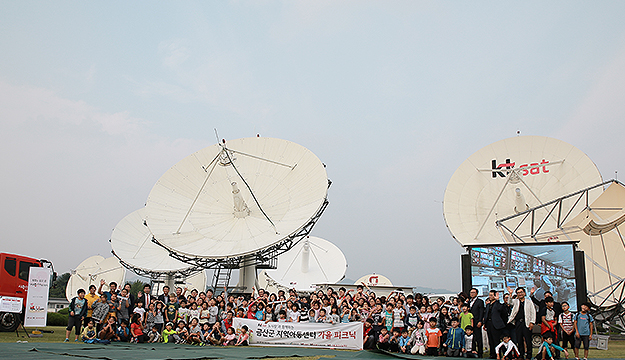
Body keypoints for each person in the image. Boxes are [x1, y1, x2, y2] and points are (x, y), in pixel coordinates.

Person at [506, 287, 536, 360]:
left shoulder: (529, 302)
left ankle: (529, 355)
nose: (520, 294)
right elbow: (509, 302)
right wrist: (510, 294)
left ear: (524, 293)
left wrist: (532, 322)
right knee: (519, 340)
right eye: (518, 293)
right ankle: (521, 355)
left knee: (528, 340)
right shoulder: (515, 301)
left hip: (527, 323)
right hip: (518, 323)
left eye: (521, 292)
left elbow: (533, 312)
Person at [484, 290, 507, 359]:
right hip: (489, 324)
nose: (490, 297)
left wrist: (497, 300)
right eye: (489, 295)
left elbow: (502, 311)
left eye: (491, 295)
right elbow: (486, 314)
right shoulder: (488, 305)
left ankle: (499, 354)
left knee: (496, 340)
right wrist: (485, 324)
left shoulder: (498, 304)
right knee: (490, 340)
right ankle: (492, 354)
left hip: (496, 325)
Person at [469, 287, 485, 358]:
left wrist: (480, 321)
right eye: (471, 293)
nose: (472, 294)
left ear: (477, 293)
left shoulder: (480, 301)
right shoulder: (469, 301)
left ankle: (480, 353)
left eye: (473, 292)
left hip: (477, 322)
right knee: (472, 339)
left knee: (478, 338)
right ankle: (473, 352)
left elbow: (481, 312)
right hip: (470, 323)